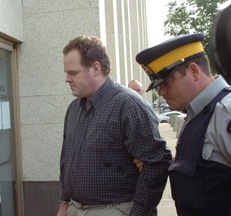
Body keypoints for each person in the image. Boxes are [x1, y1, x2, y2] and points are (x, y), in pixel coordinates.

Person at [57, 35, 172, 216]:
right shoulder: (74, 109)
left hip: (116, 209)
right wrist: (65, 205)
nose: (66, 79)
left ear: (96, 68)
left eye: (73, 72)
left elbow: (156, 163)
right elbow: (66, 160)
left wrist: (138, 212)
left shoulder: (129, 105)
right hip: (74, 208)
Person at [136, 32, 231, 216]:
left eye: (167, 82)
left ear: (194, 71)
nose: (162, 92)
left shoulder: (228, 112)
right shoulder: (195, 114)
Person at [128, 79, 158, 216]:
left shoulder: (146, 108)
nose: (135, 93)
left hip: (146, 167)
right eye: (132, 90)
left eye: (138, 90)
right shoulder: (124, 108)